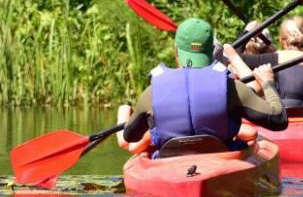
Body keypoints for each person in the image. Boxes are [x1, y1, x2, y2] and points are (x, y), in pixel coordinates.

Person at [116, 17, 288, 155]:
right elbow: (279, 120)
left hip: (168, 165)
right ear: (211, 49)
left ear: (176, 50)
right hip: (222, 162)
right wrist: (267, 82)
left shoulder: (152, 92)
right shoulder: (231, 87)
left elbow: (130, 136)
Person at [226, 16, 303, 116]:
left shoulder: (275, 60)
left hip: (281, 124)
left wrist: (247, 32)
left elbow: (232, 54)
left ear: (282, 40)